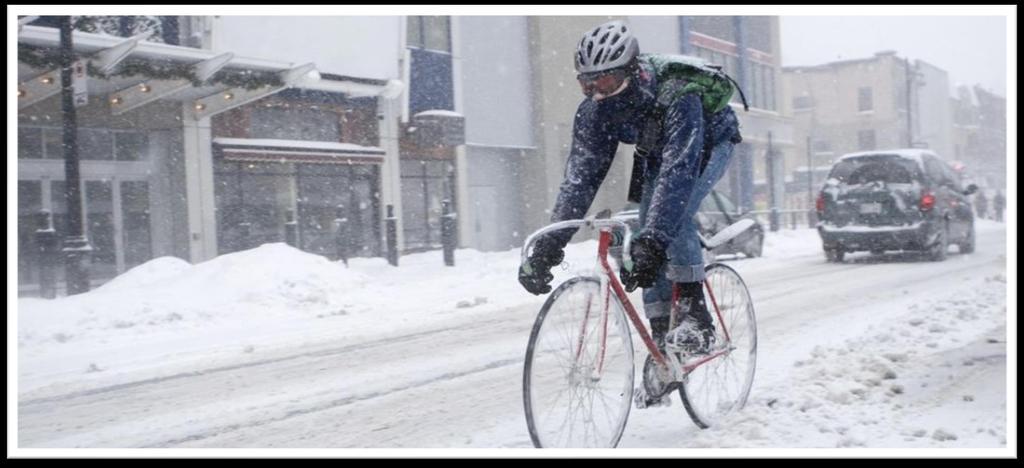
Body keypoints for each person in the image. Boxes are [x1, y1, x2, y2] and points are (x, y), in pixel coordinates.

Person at [517, 20, 743, 357]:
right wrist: (549, 246)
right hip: (657, 149)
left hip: (709, 142)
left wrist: (654, 241)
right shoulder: (594, 113)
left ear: (632, 71)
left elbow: (679, 173)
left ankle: (696, 317)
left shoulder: (678, 94)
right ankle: (663, 342)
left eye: (606, 80)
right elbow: (579, 181)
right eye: (587, 83)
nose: (597, 93)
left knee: (670, 221)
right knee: (642, 234)